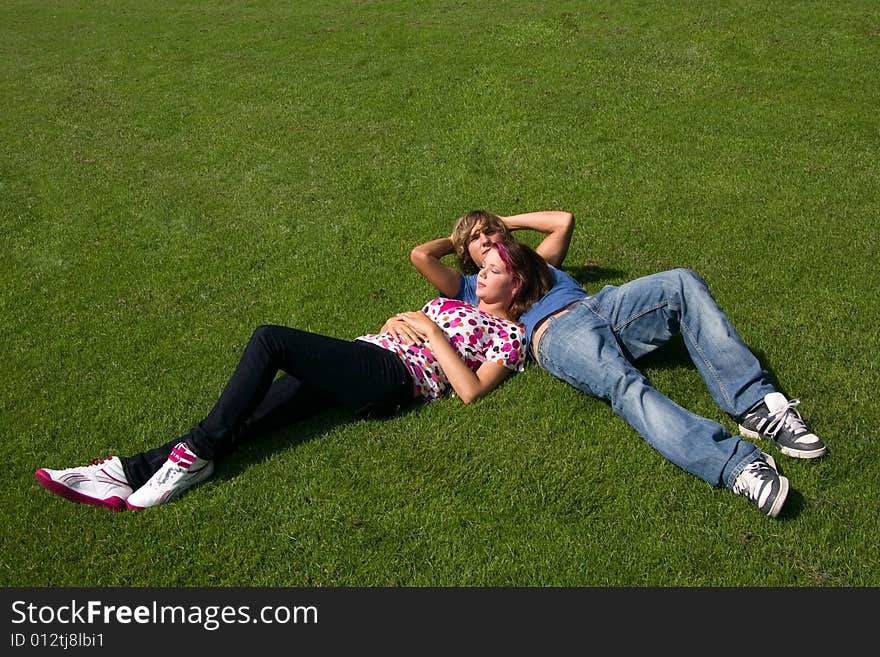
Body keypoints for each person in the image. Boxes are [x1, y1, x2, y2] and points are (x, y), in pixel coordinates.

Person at [35, 240, 553, 511]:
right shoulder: (452, 300)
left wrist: (429, 331)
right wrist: (401, 319)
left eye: (493, 270)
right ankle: (125, 471)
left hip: (393, 378)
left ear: (518, 285)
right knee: (249, 418)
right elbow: (404, 322)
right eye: (482, 266)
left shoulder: (507, 338)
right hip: (365, 357)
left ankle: (189, 459)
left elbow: (470, 391)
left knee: (270, 339)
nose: (479, 272)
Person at [410, 209, 827, 518]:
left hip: (604, 304)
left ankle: (756, 407)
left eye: (490, 233)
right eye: (477, 240)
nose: (486, 240)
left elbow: (563, 220)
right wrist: (465, 242)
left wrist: (503, 223)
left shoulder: (535, 262)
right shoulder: (472, 285)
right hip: (556, 333)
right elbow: (422, 256)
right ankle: (735, 464)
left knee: (681, 280)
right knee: (627, 388)